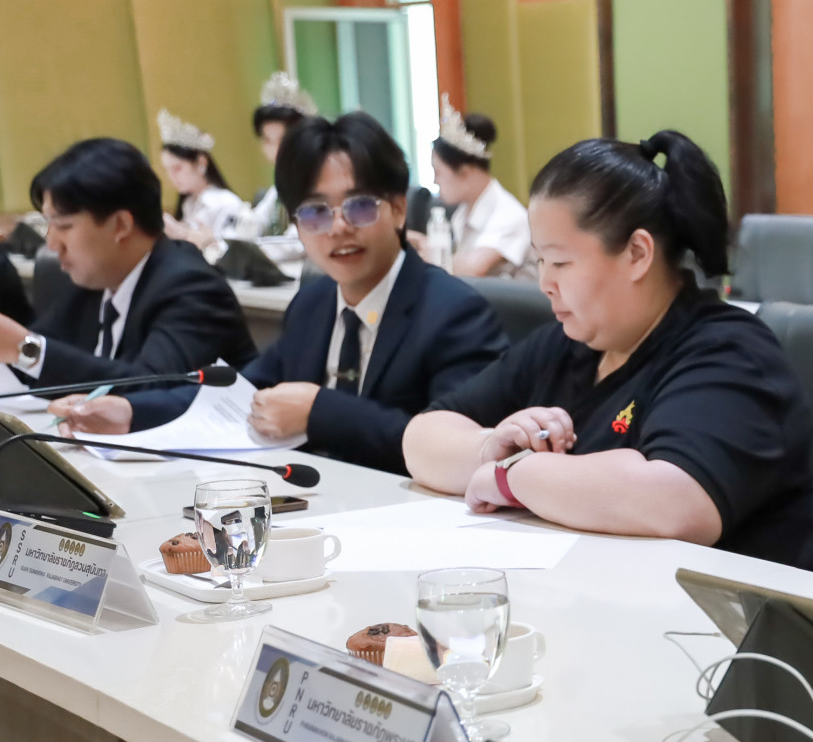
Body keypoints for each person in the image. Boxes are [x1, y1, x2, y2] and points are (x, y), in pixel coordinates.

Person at [401, 130, 813, 570]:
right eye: (540, 260)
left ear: (637, 254)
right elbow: (421, 438)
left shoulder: (729, 352)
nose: (545, 282)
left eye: (561, 262)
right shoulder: (571, 343)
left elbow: (676, 504)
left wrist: (513, 475)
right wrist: (490, 447)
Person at [54, 114, 508, 475]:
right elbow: (239, 395)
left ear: (398, 208)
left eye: (359, 206)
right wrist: (130, 411)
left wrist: (320, 411)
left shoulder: (453, 312)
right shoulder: (313, 304)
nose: (338, 227)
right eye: (314, 212)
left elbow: (462, 449)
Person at [0, 138, 256, 385]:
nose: (52, 243)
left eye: (64, 226)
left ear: (120, 225)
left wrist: (26, 349)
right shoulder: (94, 280)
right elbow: (47, 362)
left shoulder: (192, 288)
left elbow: (152, 388)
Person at [408, 95, 533, 279]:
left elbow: (473, 267)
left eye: (438, 172)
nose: (435, 181)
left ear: (465, 172)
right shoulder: (463, 212)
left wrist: (430, 253)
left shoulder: (508, 215)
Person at [235, 72, 319, 239]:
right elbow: (256, 223)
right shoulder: (279, 185)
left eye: (282, 140)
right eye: (267, 141)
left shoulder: (317, 180)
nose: (275, 149)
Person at [157, 109, 248, 249]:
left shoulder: (225, 202)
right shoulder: (189, 203)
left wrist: (186, 235)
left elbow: (234, 252)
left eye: (177, 168)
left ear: (201, 162)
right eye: (168, 170)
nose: (172, 177)